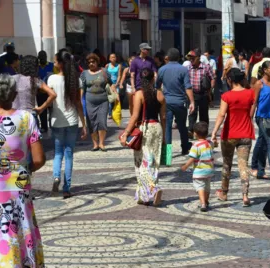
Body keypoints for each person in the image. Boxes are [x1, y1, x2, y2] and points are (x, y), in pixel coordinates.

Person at [0, 74, 46, 267]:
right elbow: (38, 159)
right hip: (17, 188)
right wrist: (22, 169)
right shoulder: (26, 118)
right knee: (19, 232)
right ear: (14, 93)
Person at [120, 68, 166, 206]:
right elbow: (163, 117)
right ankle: (143, 195)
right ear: (153, 79)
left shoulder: (139, 94)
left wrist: (126, 133)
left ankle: (153, 189)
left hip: (144, 128)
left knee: (142, 161)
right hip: (157, 127)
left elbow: (135, 116)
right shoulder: (160, 94)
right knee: (155, 161)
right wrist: (165, 137)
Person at [211, 68, 255, 206]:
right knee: (243, 165)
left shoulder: (227, 96)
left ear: (229, 80)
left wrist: (214, 132)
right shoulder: (250, 94)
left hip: (229, 134)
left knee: (226, 164)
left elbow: (221, 115)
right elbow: (251, 114)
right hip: (246, 133)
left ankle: (224, 193)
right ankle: (245, 196)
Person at [49, 51, 87, 198]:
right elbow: (78, 103)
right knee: (69, 153)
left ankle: (56, 176)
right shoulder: (75, 80)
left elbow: (49, 100)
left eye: (55, 61)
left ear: (60, 64)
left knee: (58, 153)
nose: (53, 63)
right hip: (72, 121)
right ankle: (66, 187)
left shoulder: (51, 79)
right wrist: (83, 124)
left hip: (57, 121)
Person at [156, 48, 195, 157]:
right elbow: (188, 87)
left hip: (166, 103)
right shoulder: (183, 70)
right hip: (180, 102)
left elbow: (157, 87)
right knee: (182, 126)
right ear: (179, 57)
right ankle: (184, 148)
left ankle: (167, 156)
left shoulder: (162, 70)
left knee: (167, 128)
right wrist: (192, 101)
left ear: (167, 57)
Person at [80, 53, 117, 152]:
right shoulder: (84, 73)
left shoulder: (104, 71)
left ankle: (101, 143)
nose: (91, 64)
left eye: (93, 62)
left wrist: (115, 93)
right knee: (91, 122)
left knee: (102, 122)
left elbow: (111, 84)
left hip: (103, 101)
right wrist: (79, 99)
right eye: (89, 62)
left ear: (97, 62)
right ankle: (95, 144)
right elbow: (82, 88)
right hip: (89, 101)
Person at [12, 55, 57, 127]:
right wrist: (41, 108)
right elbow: (53, 94)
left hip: (14, 116)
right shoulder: (35, 80)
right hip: (29, 116)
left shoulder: (12, 78)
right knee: (32, 138)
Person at [181, 122, 214, 212]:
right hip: (209, 170)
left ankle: (203, 203)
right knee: (207, 187)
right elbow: (215, 144)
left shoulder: (195, 145)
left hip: (199, 171)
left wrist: (185, 166)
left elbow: (192, 158)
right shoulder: (209, 143)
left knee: (200, 187)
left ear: (195, 133)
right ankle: (206, 201)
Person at [187, 49, 215, 138]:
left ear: (198, 58)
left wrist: (211, 88)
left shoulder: (206, 67)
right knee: (192, 113)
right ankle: (190, 131)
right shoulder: (188, 68)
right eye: (190, 58)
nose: (191, 60)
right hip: (192, 94)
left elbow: (212, 78)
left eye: (193, 58)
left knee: (203, 114)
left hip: (203, 94)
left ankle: (203, 133)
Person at [37, 50, 56, 132]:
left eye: (43, 57)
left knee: (52, 110)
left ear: (46, 57)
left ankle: (52, 126)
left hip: (50, 92)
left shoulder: (52, 66)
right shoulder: (36, 67)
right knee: (42, 110)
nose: (42, 58)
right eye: (40, 57)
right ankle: (44, 127)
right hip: (39, 92)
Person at [106, 53, 122, 118]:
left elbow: (119, 75)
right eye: (112, 57)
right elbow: (105, 75)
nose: (113, 58)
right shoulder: (107, 65)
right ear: (109, 59)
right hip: (109, 85)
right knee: (110, 99)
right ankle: (110, 113)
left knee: (116, 99)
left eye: (114, 57)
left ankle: (117, 113)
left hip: (116, 84)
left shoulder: (119, 66)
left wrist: (117, 84)